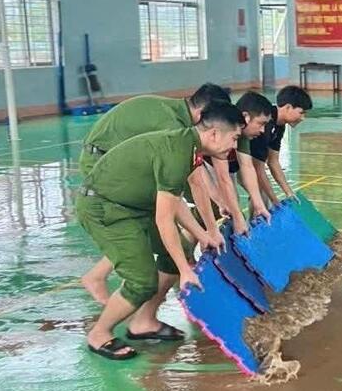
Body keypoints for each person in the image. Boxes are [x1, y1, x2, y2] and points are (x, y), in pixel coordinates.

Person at [76, 101, 246, 361]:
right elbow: (164, 219)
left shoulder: (189, 146)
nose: (234, 146)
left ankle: (143, 322)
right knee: (142, 281)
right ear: (214, 134)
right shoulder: (178, 152)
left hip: (134, 206)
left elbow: (175, 202)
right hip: (107, 209)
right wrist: (185, 270)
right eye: (234, 138)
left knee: (178, 253)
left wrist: (203, 235)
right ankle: (99, 334)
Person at [79, 84, 230, 305]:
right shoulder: (174, 127)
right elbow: (195, 181)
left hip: (121, 160)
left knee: (158, 221)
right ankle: (101, 277)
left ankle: (170, 274)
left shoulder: (177, 114)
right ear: (202, 115)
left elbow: (194, 179)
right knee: (145, 222)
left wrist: (210, 219)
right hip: (102, 163)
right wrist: (211, 229)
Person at [201, 91, 274, 234]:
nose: (262, 130)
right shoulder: (225, 131)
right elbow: (222, 177)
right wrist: (230, 210)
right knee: (218, 213)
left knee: (232, 208)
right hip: (205, 165)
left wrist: (258, 204)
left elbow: (247, 167)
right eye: (261, 123)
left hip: (216, 167)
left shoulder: (242, 135)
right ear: (246, 117)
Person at [240, 85, 313, 206]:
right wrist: (275, 201)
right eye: (301, 113)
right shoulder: (265, 123)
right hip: (235, 160)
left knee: (261, 194)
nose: (303, 118)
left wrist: (288, 192)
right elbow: (258, 167)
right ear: (288, 107)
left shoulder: (279, 126)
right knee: (260, 194)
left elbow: (273, 161)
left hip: (245, 161)